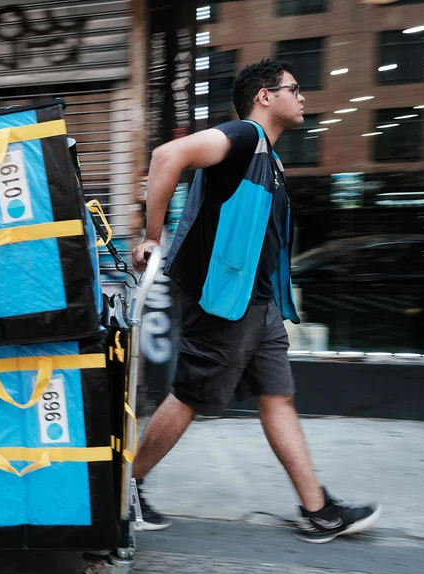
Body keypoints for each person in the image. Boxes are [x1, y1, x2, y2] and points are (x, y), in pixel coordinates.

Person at [128, 59, 381, 543]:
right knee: (190, 396)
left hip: (257, 303)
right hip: (223, 301)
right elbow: (166, 157)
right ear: (265, 96)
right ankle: (128, 486)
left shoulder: (268, 155)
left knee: (277, 396)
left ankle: (319, 511)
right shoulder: (243, 137)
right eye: (295, 88)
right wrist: (151, 237)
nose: (303, 97)